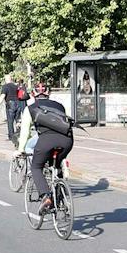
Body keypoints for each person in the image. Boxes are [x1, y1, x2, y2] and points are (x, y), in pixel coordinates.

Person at [20, 81, 75, 213]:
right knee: (56, 166)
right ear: (49, 93)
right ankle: (60, 198)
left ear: (33, 95)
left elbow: (25, 132)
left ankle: (46, 197)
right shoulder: (60, 106)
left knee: (36, 167)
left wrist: (20, 149)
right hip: (67, 140)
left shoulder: (30, 109)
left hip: (46, 140)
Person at [0, 72, 23, 144]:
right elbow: (20, 95)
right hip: (18, 103)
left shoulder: (5, 86)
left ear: (6, 79)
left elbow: (3, 95)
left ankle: (11, 136)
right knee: (18, 120)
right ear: (11, 79)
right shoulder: (16, 86)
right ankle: (19, 134)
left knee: (10, 121)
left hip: (10, 104)